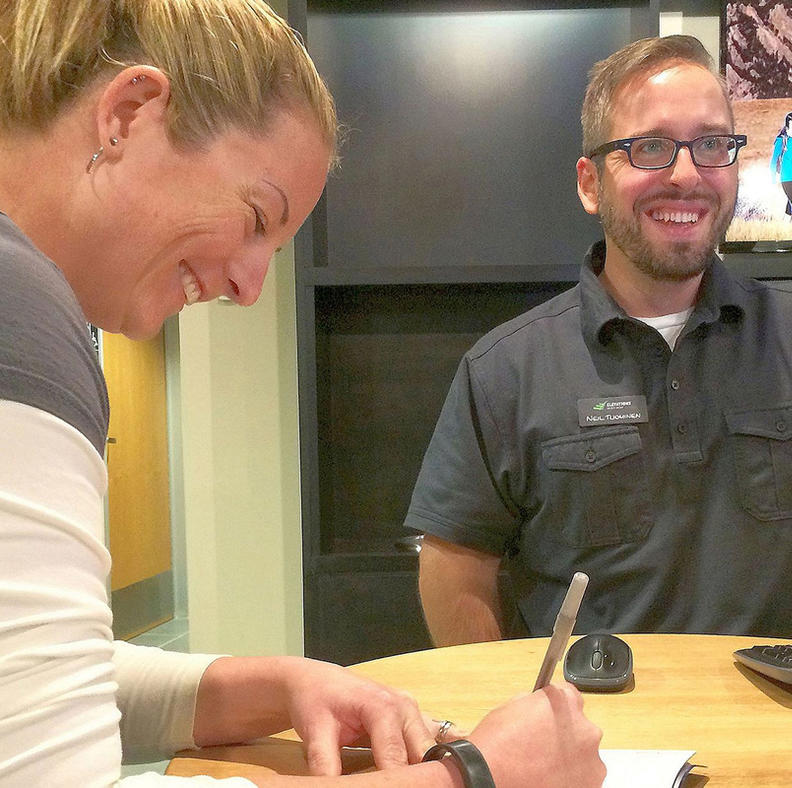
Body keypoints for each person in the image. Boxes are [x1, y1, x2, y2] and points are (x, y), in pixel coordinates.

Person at [0, 2, 605, 786]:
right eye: (256, 218)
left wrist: (275, 685)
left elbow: (38, 680)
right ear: (126, 113)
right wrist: (476, 778)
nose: (249, 289)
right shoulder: (19, 310)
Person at [404, 35, 792, 648]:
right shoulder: (504, 371)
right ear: (590, 184)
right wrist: (502, 722)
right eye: (650, 148)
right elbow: (456, 565)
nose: (686, 174)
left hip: (789, 727)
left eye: (712, 145)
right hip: (598, 731)